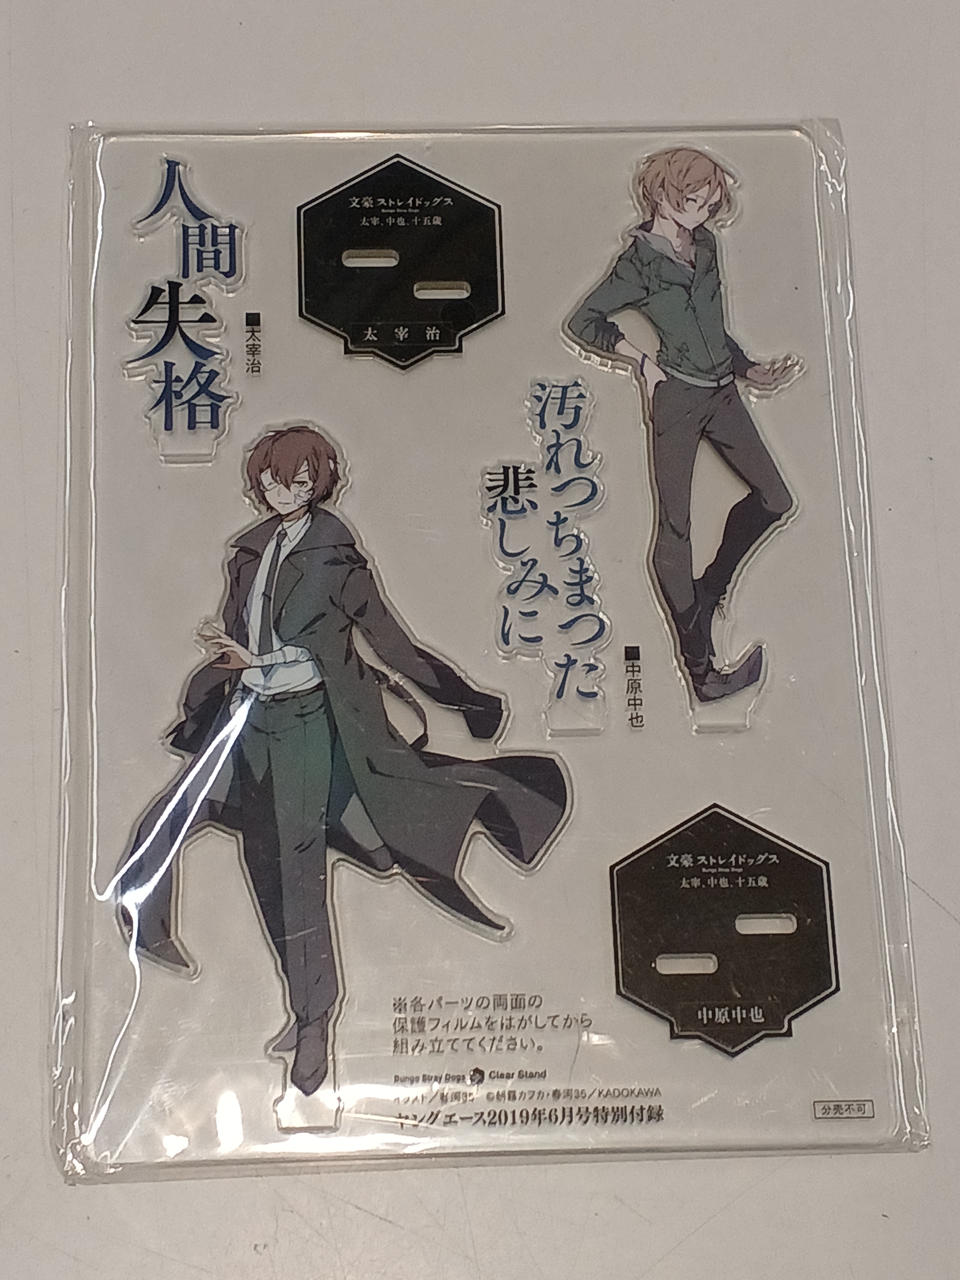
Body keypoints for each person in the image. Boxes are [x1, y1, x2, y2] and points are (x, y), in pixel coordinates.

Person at [115, 423, 568, 1096]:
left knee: (289, 877)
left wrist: (465, 700)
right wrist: (226, 663)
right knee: (171, 818)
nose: (284, 491)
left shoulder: (337, 561)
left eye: (298, 481)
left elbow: (392, 645)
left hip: (305, 727)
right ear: (259, 481)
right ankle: (145, 925)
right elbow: (241, 633)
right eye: (273, 480)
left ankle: (312, 1026)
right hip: (245, 719)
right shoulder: (251, 552)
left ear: (318, 483)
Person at [565, 147, 800, 702]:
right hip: (677, 399)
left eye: (710, 203)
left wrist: (749, 369)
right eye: (694, 200)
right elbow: (583, 321)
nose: (703, 211)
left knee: (775, 499)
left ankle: (708, 590)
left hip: (723, 393)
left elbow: (713, 326)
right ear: (662, 195)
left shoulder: (708, 246)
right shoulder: (638, 264)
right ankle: (702, 672)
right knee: (675, 530)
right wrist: (640, 361)